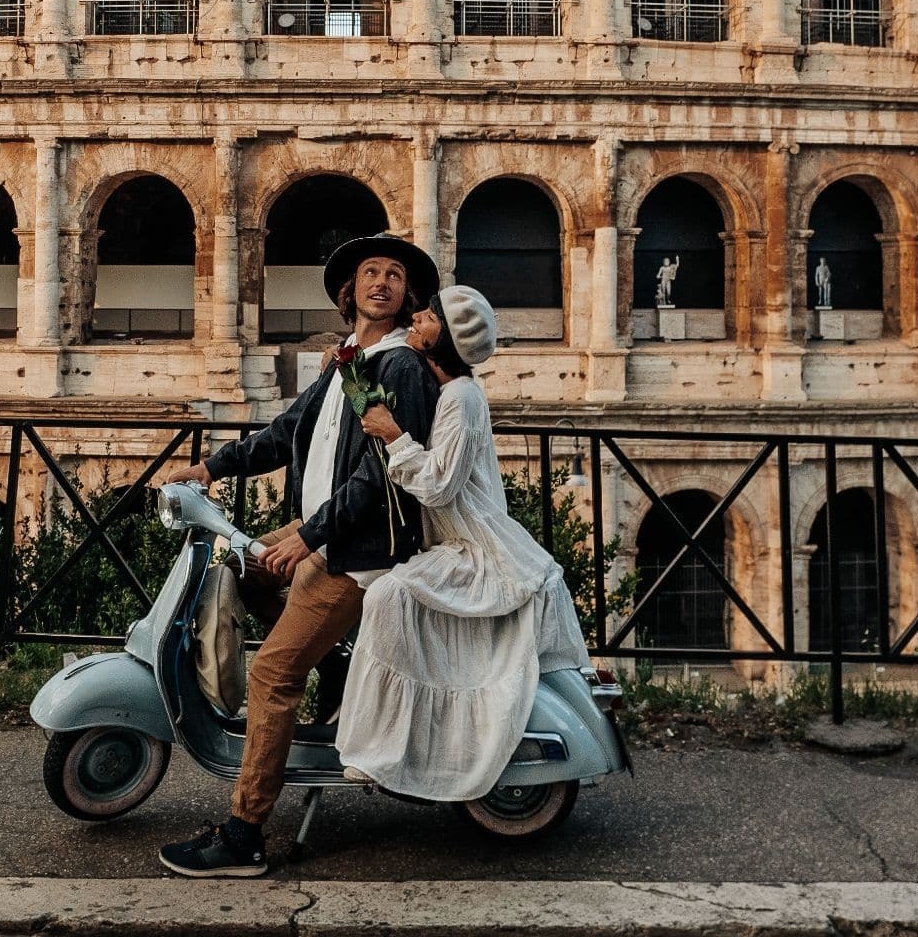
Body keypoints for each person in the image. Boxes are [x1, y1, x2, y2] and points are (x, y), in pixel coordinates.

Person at [151, 234, 440, 878]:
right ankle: (339, 666)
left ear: (407, 295)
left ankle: (245, 833)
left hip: (357, 555)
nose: (382, 282)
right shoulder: (349, 364)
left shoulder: (398, 369)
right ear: (350, 291)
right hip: (323, 536)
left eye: (395, 275)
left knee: (272, 676)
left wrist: (308, 539)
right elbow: (285, 434)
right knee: (244, 566)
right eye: (371, 271)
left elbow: (381, 476)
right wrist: (207, 468)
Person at [334, 285, 593, 801]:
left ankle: (379, 750)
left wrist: (391, 434)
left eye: (429, 317)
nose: (419, 317)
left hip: (476, 549)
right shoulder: (447, 389)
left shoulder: (462, 397)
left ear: (445, 339)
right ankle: (391, 736)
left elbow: (438, 484)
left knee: (389, 597)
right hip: (456, 542)